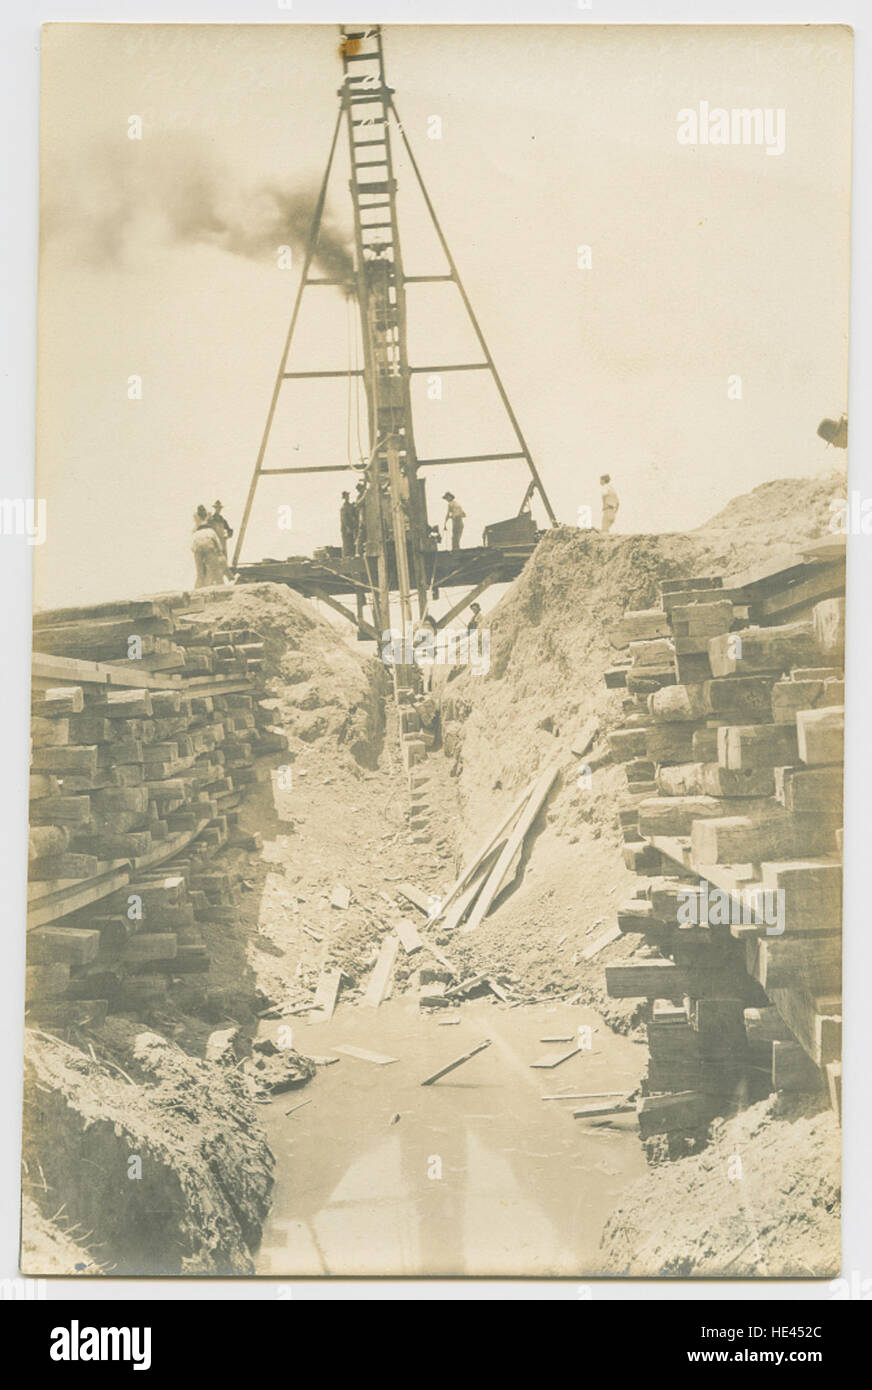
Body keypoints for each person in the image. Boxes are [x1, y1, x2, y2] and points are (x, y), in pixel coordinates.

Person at [191, 515, 225, 588]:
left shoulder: (196, 533)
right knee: (216, 571)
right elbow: (219, 545)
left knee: (200, 574)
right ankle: (221, 587)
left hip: (197, 549)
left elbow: (192, 548)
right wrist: (220, 553)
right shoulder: (211, 531)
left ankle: (197, 589)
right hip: (208, 548)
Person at [340, 490, 357, 557]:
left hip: (351, 526)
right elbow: (344, 519)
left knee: (351, 541)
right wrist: (347, 527)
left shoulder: (350, 506)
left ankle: (350, 555)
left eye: (348, 496)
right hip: (346, 528)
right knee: (346, 542)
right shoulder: (344, 508)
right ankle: (346, 556)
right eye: (347, 496)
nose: (348, 497)